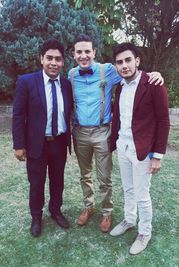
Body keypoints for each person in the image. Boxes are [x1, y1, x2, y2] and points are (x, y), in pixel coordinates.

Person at [68, 34, 164, 233]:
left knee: (105, 176)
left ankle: (107, 211)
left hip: (103, 132)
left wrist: (157, 74)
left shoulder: (109, 71)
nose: (84, 55)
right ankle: (88, 206)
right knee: (84, 174)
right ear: (74, 54)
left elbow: (136, 75)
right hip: (80, 133)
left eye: (88, 51)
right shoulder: (70, 75)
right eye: (79, 52)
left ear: (94, 52)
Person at [109, 42, 170, 254]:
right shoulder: (119, 86)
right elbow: (118, 117)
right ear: (115, 66)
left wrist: (158, 155)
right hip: (123, 146)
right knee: (128, 188)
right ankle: (129, 220)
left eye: (128, 60)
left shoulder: (153, 84)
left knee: (142, 194)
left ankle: (145, 232)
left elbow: (163, 120)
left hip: (143, 149)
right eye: (119, 62)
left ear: (137, 61)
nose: (124, 65)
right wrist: (113, 143)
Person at [12, 39, 73, 237]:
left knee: (58, 181)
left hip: (59, 142)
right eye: (49, 58)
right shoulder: (26, 82)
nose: (53, 63)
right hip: (37, 144)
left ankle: (55, 210)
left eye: (58, 59)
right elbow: (18, 115)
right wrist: (19, 145)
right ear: (41, 59)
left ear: (63, 62)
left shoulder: (66, 84)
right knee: (36, 182)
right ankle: (36, 216)